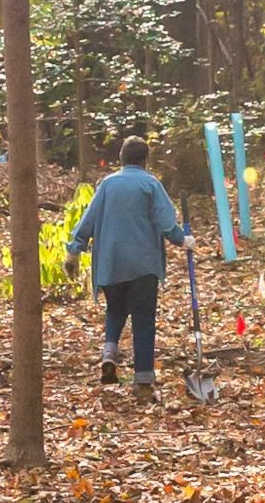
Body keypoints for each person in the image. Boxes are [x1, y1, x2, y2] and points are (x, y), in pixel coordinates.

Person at [65, 133, 190, 391]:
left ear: (121, 159)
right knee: (143, 318)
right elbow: (165, 223)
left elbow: (88, 220)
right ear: (145, 160)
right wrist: (183, 240)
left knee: (115, 309)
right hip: (143, 265)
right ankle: (143, 380)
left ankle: (109, 354)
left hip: (111, 263)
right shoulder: (151, 184)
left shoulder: (107, 184)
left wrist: (74, 250)